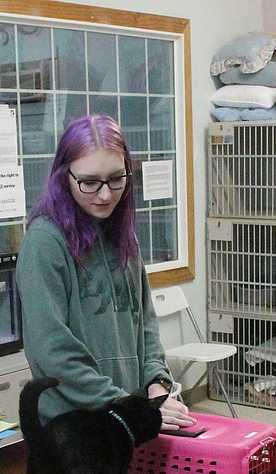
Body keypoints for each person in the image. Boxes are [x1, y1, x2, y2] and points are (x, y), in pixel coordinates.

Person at [16, 114, 194, 432]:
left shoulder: (122, 235)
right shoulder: (44, 242)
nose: (105, 194)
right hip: (73, 428)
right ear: (63, 177)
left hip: (125, 416)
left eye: (116, 178)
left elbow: (146, 325)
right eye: (89, 182)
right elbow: (53, 349)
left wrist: (157, 384)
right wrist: (128, 406)